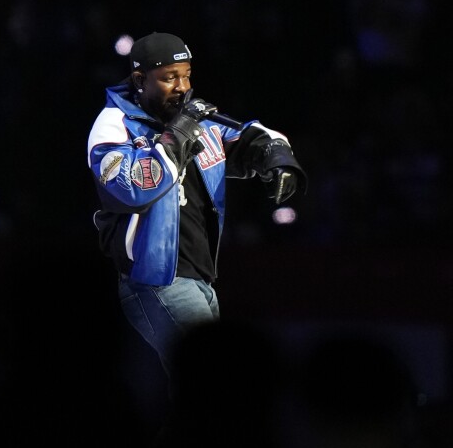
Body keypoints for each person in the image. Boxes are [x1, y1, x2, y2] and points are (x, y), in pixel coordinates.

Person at [87, 31, 307, 378]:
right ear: (140, 79)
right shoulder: (112, 126)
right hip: (157, 279)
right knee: (214, 380)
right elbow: (136, 188)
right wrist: (182, 129)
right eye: (169, 77)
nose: (181, 86)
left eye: (186, 75)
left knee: (199, 392)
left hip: (199, 277)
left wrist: (277, 158)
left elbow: (250, 136)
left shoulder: (194, 121)